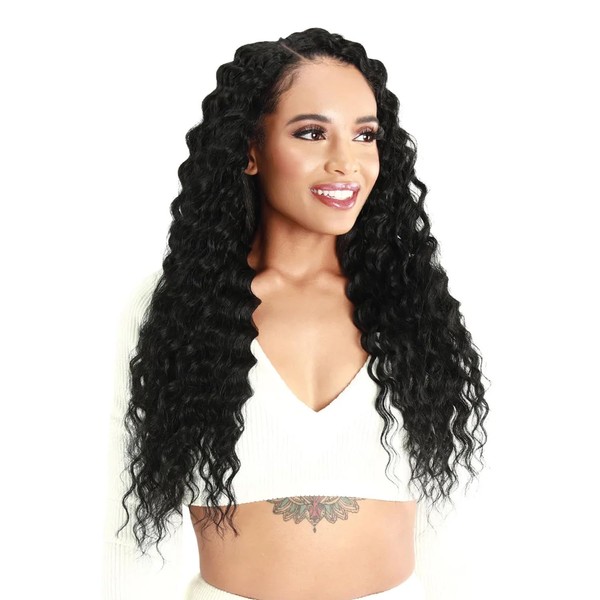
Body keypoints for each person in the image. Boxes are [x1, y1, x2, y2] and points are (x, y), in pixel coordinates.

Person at [102, 27, 489, 600]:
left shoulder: (419, 303)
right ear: (250, 150)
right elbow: (128, 520)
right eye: (312, 133)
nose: (346, 163)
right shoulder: (175, 307)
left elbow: (459, 512)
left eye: (364, 135)